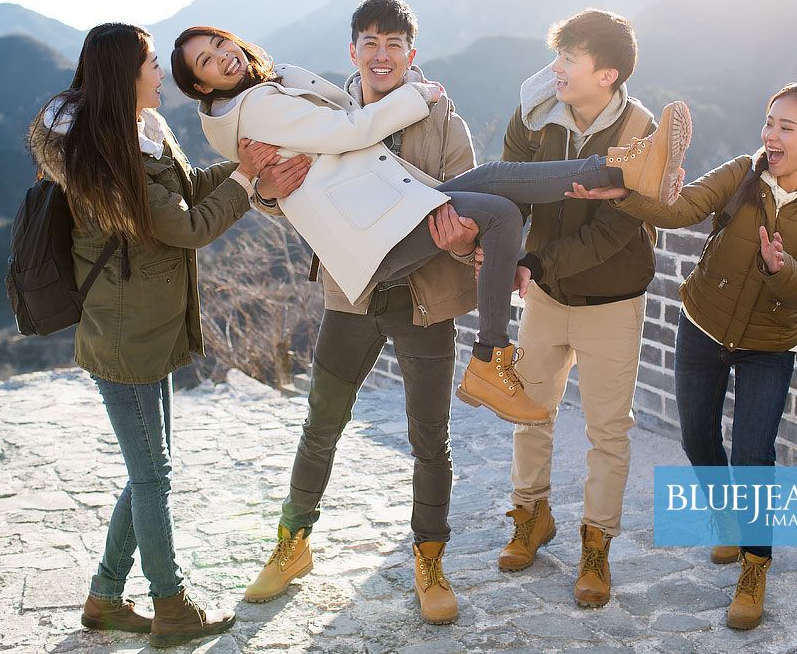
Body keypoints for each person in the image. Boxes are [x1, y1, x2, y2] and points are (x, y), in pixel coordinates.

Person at [169, 22, 691, 435]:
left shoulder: (266, 89)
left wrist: (262, 182)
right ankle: (624, 173)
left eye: (220, 43)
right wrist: (418, 97)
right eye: (207, 61)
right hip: (374, 230)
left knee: (499, 199)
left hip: (386, 207)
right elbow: (349, 130)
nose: (223, 56)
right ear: (200, 84)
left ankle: (491, 356)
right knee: (499, 195)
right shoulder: (257, 106)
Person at [227, 0, 480, 623]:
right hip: (351, 296)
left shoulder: (443, 120)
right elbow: (286, 191)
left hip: (424, 300)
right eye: (370, 42)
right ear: (352, 53)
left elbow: (469, 205)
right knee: (322, 424)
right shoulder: (325, 115)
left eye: (394, 43)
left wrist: (466, 234)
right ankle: (291, 545)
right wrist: (262, 190)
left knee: (430, 438)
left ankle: (429, 558)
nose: (382, 54)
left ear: (411, 55)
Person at [569, 79, 797, 631]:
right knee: (698, 435)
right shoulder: (745, 173)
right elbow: (685, 207)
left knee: (753, 455)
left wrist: (781, 269)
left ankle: (754, 565)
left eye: (785, 128)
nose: (770, 136)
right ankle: (726, 518)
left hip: (769, 346)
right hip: (703, 324)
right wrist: (623, 197)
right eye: (769, 122)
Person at [28, 23, 276, 649]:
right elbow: (188, 227)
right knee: (153, 476)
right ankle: (171, 606)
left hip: (144, 328)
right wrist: (247, 182)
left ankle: (105, 598)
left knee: (147, 473)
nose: (160, 72)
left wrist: (246, 168)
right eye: (150, 64)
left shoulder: (140, 135)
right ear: (125, 76)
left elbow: (189, 190)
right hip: (124, 338)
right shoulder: (111, 159)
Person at [494, 9, 681, 609]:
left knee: (607, 430)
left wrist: (535, 264)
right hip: (545, 295)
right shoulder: (535, 113)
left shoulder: (641, 133)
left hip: (611, 299)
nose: (556, 70)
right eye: (558, 57)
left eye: (570, 61)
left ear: (607, 75)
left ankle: (596, 544)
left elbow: (614, 231)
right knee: (530, 411)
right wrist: (495, 251)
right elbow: (508, 190)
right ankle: (531, 516)